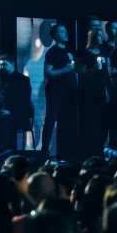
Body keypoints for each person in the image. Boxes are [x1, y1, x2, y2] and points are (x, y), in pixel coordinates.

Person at [42, 24, 77, 158]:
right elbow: (47, 72)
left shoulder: (69, 51)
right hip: (55, 91)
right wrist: (64, 70)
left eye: (66, 31)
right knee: (51, 120)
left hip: (69, 92)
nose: (66, 33)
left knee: (68, 120)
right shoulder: (52, 52)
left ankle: (67, 151)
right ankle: (45, 151)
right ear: (55, 35)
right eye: (62, 32)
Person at [77, 28, 110, 159]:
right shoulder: (85, 54)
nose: (102, 38)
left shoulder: (102, 53)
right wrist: (93, 70)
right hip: (88, 93)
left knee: (101, 122)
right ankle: (88, 153)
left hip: (101, 92)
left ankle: (98, 150)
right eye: (99, 35)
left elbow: (105, 75)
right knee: (89, 122)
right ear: (93, 37)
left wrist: (107, 90)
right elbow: (81, 74)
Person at [0, 55, 32, 153]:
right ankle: (2, 152)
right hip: (7, 113)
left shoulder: (23, 80)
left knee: (2, 122)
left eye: (4, 64)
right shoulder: (2, 79)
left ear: (12, 64)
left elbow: (25, 102)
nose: (1, 67)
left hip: (20, 115)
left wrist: (10, 112)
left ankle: (6, 152)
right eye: (0, 65)